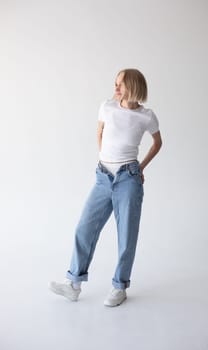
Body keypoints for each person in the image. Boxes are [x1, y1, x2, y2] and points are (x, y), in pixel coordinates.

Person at [49, 68, 162, 306]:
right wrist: (104, 157)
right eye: (115, 83)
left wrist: (140, 167)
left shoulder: (147, 116)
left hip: (128, 179)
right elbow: (99, 131)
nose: (116, 88)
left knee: (126, 236)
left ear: (133, 86)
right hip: (103, 176)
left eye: (120, 83)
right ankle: (73, 284)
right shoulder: (107, 107)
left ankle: (119, 286)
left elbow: (158, 142)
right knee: (84, 228)